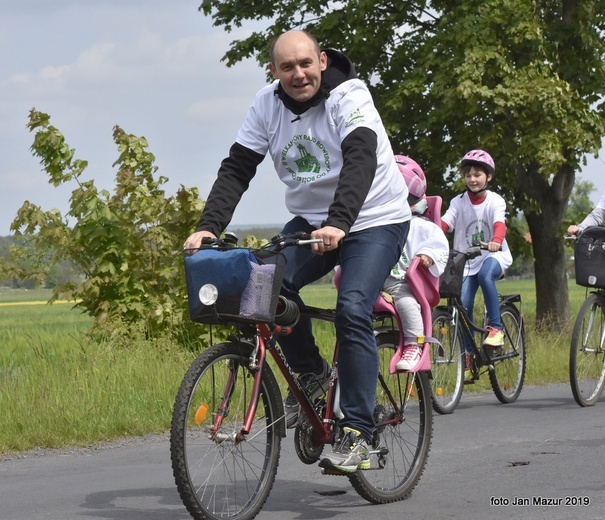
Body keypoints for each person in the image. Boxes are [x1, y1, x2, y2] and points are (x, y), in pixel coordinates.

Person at [183, 30, 411, 473]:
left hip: (374, 217)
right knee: (263, 288)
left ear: (322, 60)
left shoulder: (349, 96)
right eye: (287, 67)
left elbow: (361, 157)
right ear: (274, 71)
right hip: (311, 223)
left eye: (306, 63)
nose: (298, 74)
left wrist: (340, 222)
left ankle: (359, 433)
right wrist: (209, 227)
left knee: (352, 308)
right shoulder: (265, 104)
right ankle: (311, 373)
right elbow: (237, 167)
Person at [440, 150, 513, 381]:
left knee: (485, 275)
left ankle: (496, 329)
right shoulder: (458, 202)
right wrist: (431, 230)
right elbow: (445, 222)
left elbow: (499, 224)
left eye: (478, 174)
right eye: (469, 175)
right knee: (463, 305)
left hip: (494, 256)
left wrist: (496, 242)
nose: (472, 179)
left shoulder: (495, 200)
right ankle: (469, 354)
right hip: (467, 261)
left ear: (488, 177)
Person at [382, 155, 449, 371]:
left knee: (406, 302)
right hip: (377, 279)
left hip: (404, 283)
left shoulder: (422, 225)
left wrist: (427, 256)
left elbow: (438, 245)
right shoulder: (379, 224)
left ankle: (414, 344)